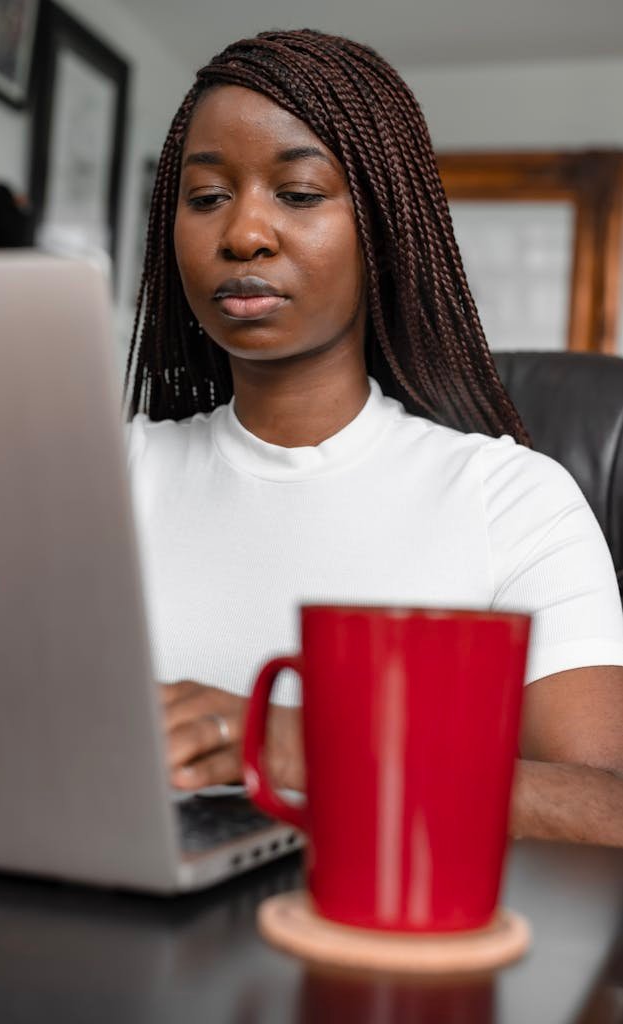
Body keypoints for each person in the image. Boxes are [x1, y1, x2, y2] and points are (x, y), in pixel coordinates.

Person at [125, 29, 623, 845]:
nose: (243, 234)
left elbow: (602, 806)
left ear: (383, 227)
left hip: (394, 953)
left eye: (298, 192)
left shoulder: (511, 499)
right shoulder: (109, 474)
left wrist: (290, 746)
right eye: (207, 197)